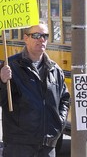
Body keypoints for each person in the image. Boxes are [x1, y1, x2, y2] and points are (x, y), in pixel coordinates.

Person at [0, 21, 70, 157]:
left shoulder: (55, 70)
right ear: (26, 38)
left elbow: (65, 100)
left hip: (47, 146)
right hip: (19, 146)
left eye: (45, 35)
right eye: (36, 35)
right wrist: (2, 82)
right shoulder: (11, 66)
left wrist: (58, 124)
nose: (41, 39)